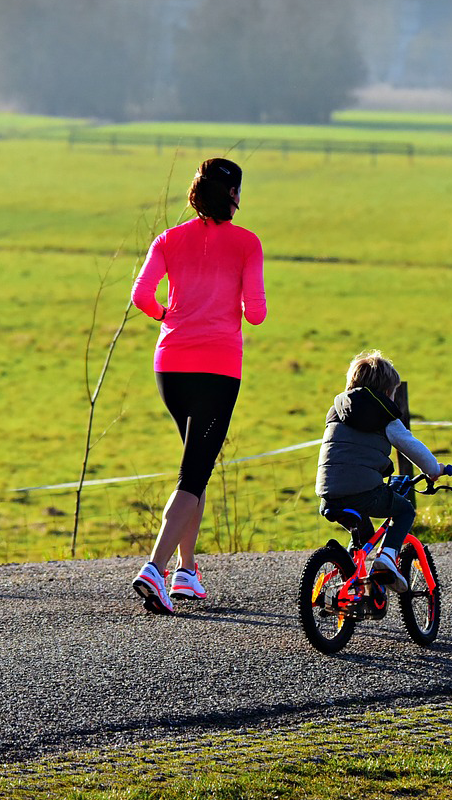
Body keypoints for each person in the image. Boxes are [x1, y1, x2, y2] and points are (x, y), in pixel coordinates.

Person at [129, 157, 267, 614]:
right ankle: (155, 567)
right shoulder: (247, 244)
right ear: (232, 196)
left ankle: (186, 573)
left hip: (169, 366)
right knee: (194, 473)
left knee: (196, 465)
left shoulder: (168, 239)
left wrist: (166, 316)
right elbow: (256, 312)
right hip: (218, 368)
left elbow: (141, 296)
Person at [315, 350, 445, 593]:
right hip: (363, 491)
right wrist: (433, 469)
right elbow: (411, 446)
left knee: (364, 539)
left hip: (328, 493)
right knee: (405, 510)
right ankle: (387, 557)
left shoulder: (336, 411)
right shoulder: (384, 415)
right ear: (387, 392)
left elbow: (349, 452)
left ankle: (359, 587)